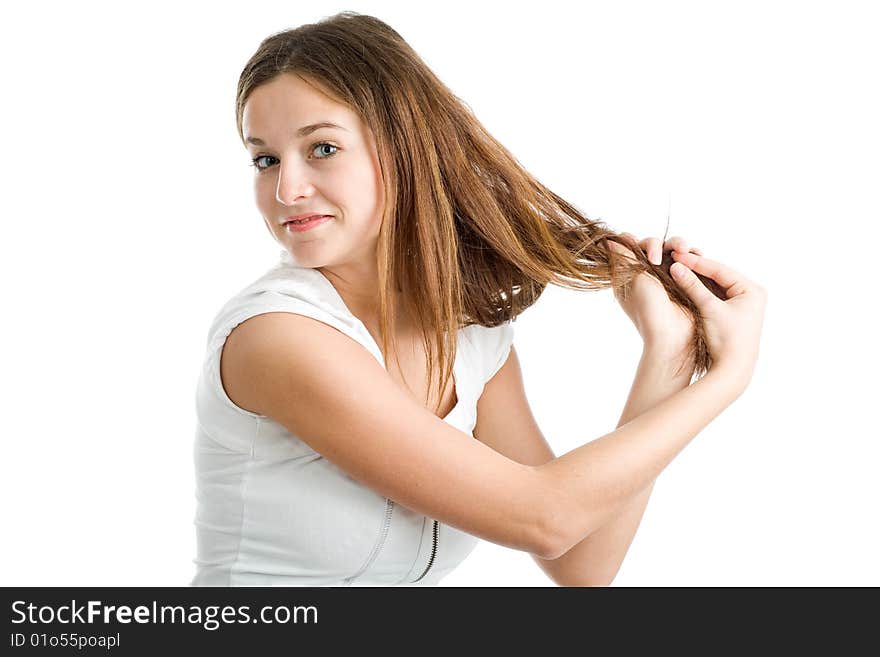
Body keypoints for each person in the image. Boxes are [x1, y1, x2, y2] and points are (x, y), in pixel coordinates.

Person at [190, 11, 767, 587]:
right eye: (265, 160)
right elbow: (545, 518)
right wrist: (727, 380)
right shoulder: (277, 337)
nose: (287, 189)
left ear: (404, 148)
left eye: (321, 149)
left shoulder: (470, 336)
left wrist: (667, 354)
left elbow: (581, 563)